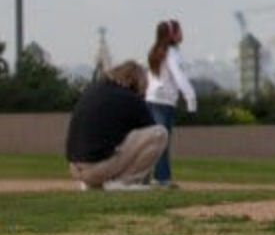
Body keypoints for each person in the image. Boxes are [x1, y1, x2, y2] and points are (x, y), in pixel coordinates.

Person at [65, 60, 169, 190]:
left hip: (75, 168)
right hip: (98, 168)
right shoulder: (131, 98)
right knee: (160, 133)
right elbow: (150, 130)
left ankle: (93, 183)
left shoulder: (93, 89)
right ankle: (124, 182)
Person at [145, 18, 197, 188]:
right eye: (179, 30)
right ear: (172, 35)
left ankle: (145, 177)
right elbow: (179, 77)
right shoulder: (172, 54)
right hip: (164, 101)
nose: (182, 34)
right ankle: (162, 178)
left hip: (151, 99)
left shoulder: (155, 51)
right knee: (162, 141)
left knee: (151, 141)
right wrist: (191, 98)